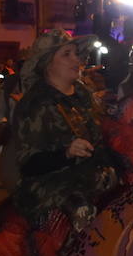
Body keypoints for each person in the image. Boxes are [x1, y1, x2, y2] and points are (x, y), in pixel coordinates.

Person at [9, 31, 119, 232]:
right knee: (83, 212)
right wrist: (66, 153)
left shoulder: (83, 94)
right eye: (66, 54)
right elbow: (28, 164)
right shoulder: (35, 104)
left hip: (92, 173)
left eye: (77, 54)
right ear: (46, 63)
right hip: (52, 184)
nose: (76, 59)